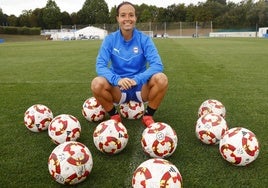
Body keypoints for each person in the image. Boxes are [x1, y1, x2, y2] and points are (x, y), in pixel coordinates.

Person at [91, 1, 168, 127]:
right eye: (123, 15)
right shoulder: (110, 40)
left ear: (135, 18)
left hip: (140, 88)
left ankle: (148, 116)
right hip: (119, 89)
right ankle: (114, 115)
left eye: (131, 15)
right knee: (96, 83)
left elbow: (157, 65)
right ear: (118, 18)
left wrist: (138, 79)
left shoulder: (144, 39)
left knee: (162, 79)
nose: (127, 19)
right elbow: (100, 65)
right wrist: (118, 80)